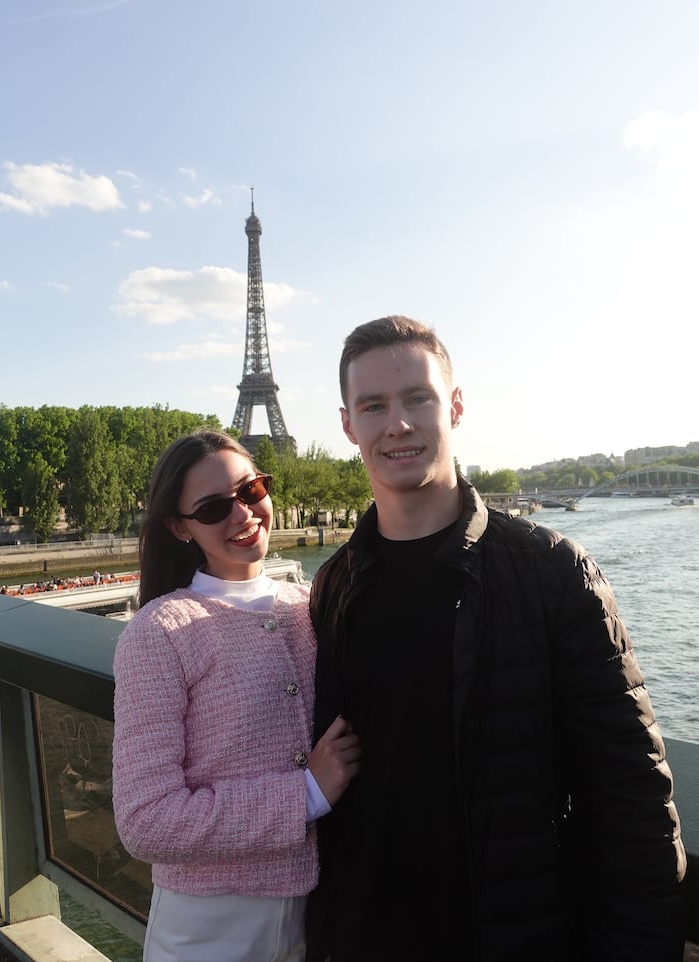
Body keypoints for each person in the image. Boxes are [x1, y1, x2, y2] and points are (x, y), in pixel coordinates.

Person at [305, 315, 687, 961]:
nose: (397, 424)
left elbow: (632, 797)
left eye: (418, 398)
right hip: (366, 932)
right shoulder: (334, 584)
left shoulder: (553, 572)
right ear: (348, 425)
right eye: (373, 406)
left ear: (455, 407)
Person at [112, 428, 360, 962]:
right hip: (209, 930)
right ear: (179, 527)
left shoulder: (311, 605)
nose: (243, 514)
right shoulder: (159, 632)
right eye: (213, 509)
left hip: (320, 915)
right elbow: (145, 820)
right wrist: (305, 793)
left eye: (251, 491)